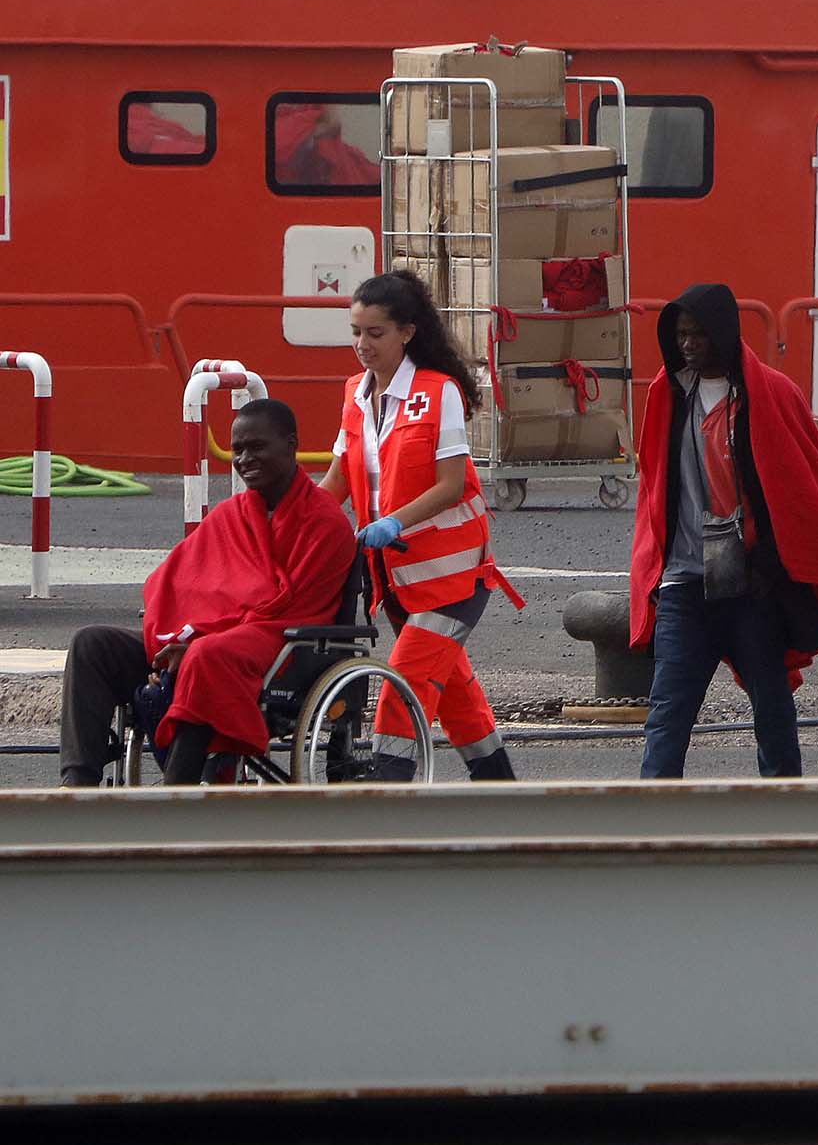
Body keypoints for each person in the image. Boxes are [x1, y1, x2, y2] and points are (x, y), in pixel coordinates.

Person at [630, 283, 818, 778]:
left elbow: (806, 494)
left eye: (698, 335)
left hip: (752, 585)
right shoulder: (667, 395)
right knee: (668, 713)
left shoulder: (769, 393)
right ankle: (650, 821)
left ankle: (785, 803)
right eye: (681, 335)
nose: (687, 344)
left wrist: (770, 563)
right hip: (685, 583)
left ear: (723, 335)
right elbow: (655, 491)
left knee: (772, 709)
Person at [58, 399, 354, 786]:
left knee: (206, 656)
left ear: (291, 444)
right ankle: (77, 784)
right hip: (208, 638)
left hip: (284, 644)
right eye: (237, 450)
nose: (245, 458)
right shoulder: (231, 514)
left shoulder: (326, 522)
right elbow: (182, 583)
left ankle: (175, 792)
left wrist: (199, 640)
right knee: (91, 644)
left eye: (257, 447)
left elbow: (288, 608)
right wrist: (178, 638)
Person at [323, 271, 519, 782]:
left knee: (404, 682)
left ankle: (388, 794)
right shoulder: (354, 395)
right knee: (452, 691)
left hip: (453, 580)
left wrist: (393, 522)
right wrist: (290, 522)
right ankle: (499, 785)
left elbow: (451, 485)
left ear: (407, 332)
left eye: (374, 333)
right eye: (355, 332)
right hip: (397, 583)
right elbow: (339, 478)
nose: (362, 345)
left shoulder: (440, 392)